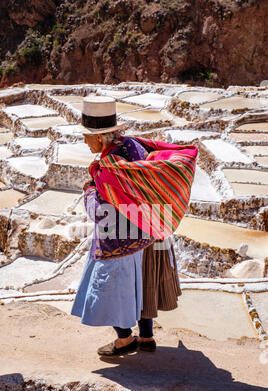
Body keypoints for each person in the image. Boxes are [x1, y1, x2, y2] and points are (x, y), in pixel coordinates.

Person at [71, 96, 196, 356]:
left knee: (114, 291)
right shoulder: (134, 146)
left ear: (100, 138)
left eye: (87, 136)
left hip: (121, 240)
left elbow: (100, 213)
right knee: (144, 286)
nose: (84, 141)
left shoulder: (108, 169)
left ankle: (125, 340)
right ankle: (147, 337)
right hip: (152, 232)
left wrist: (88, 191)